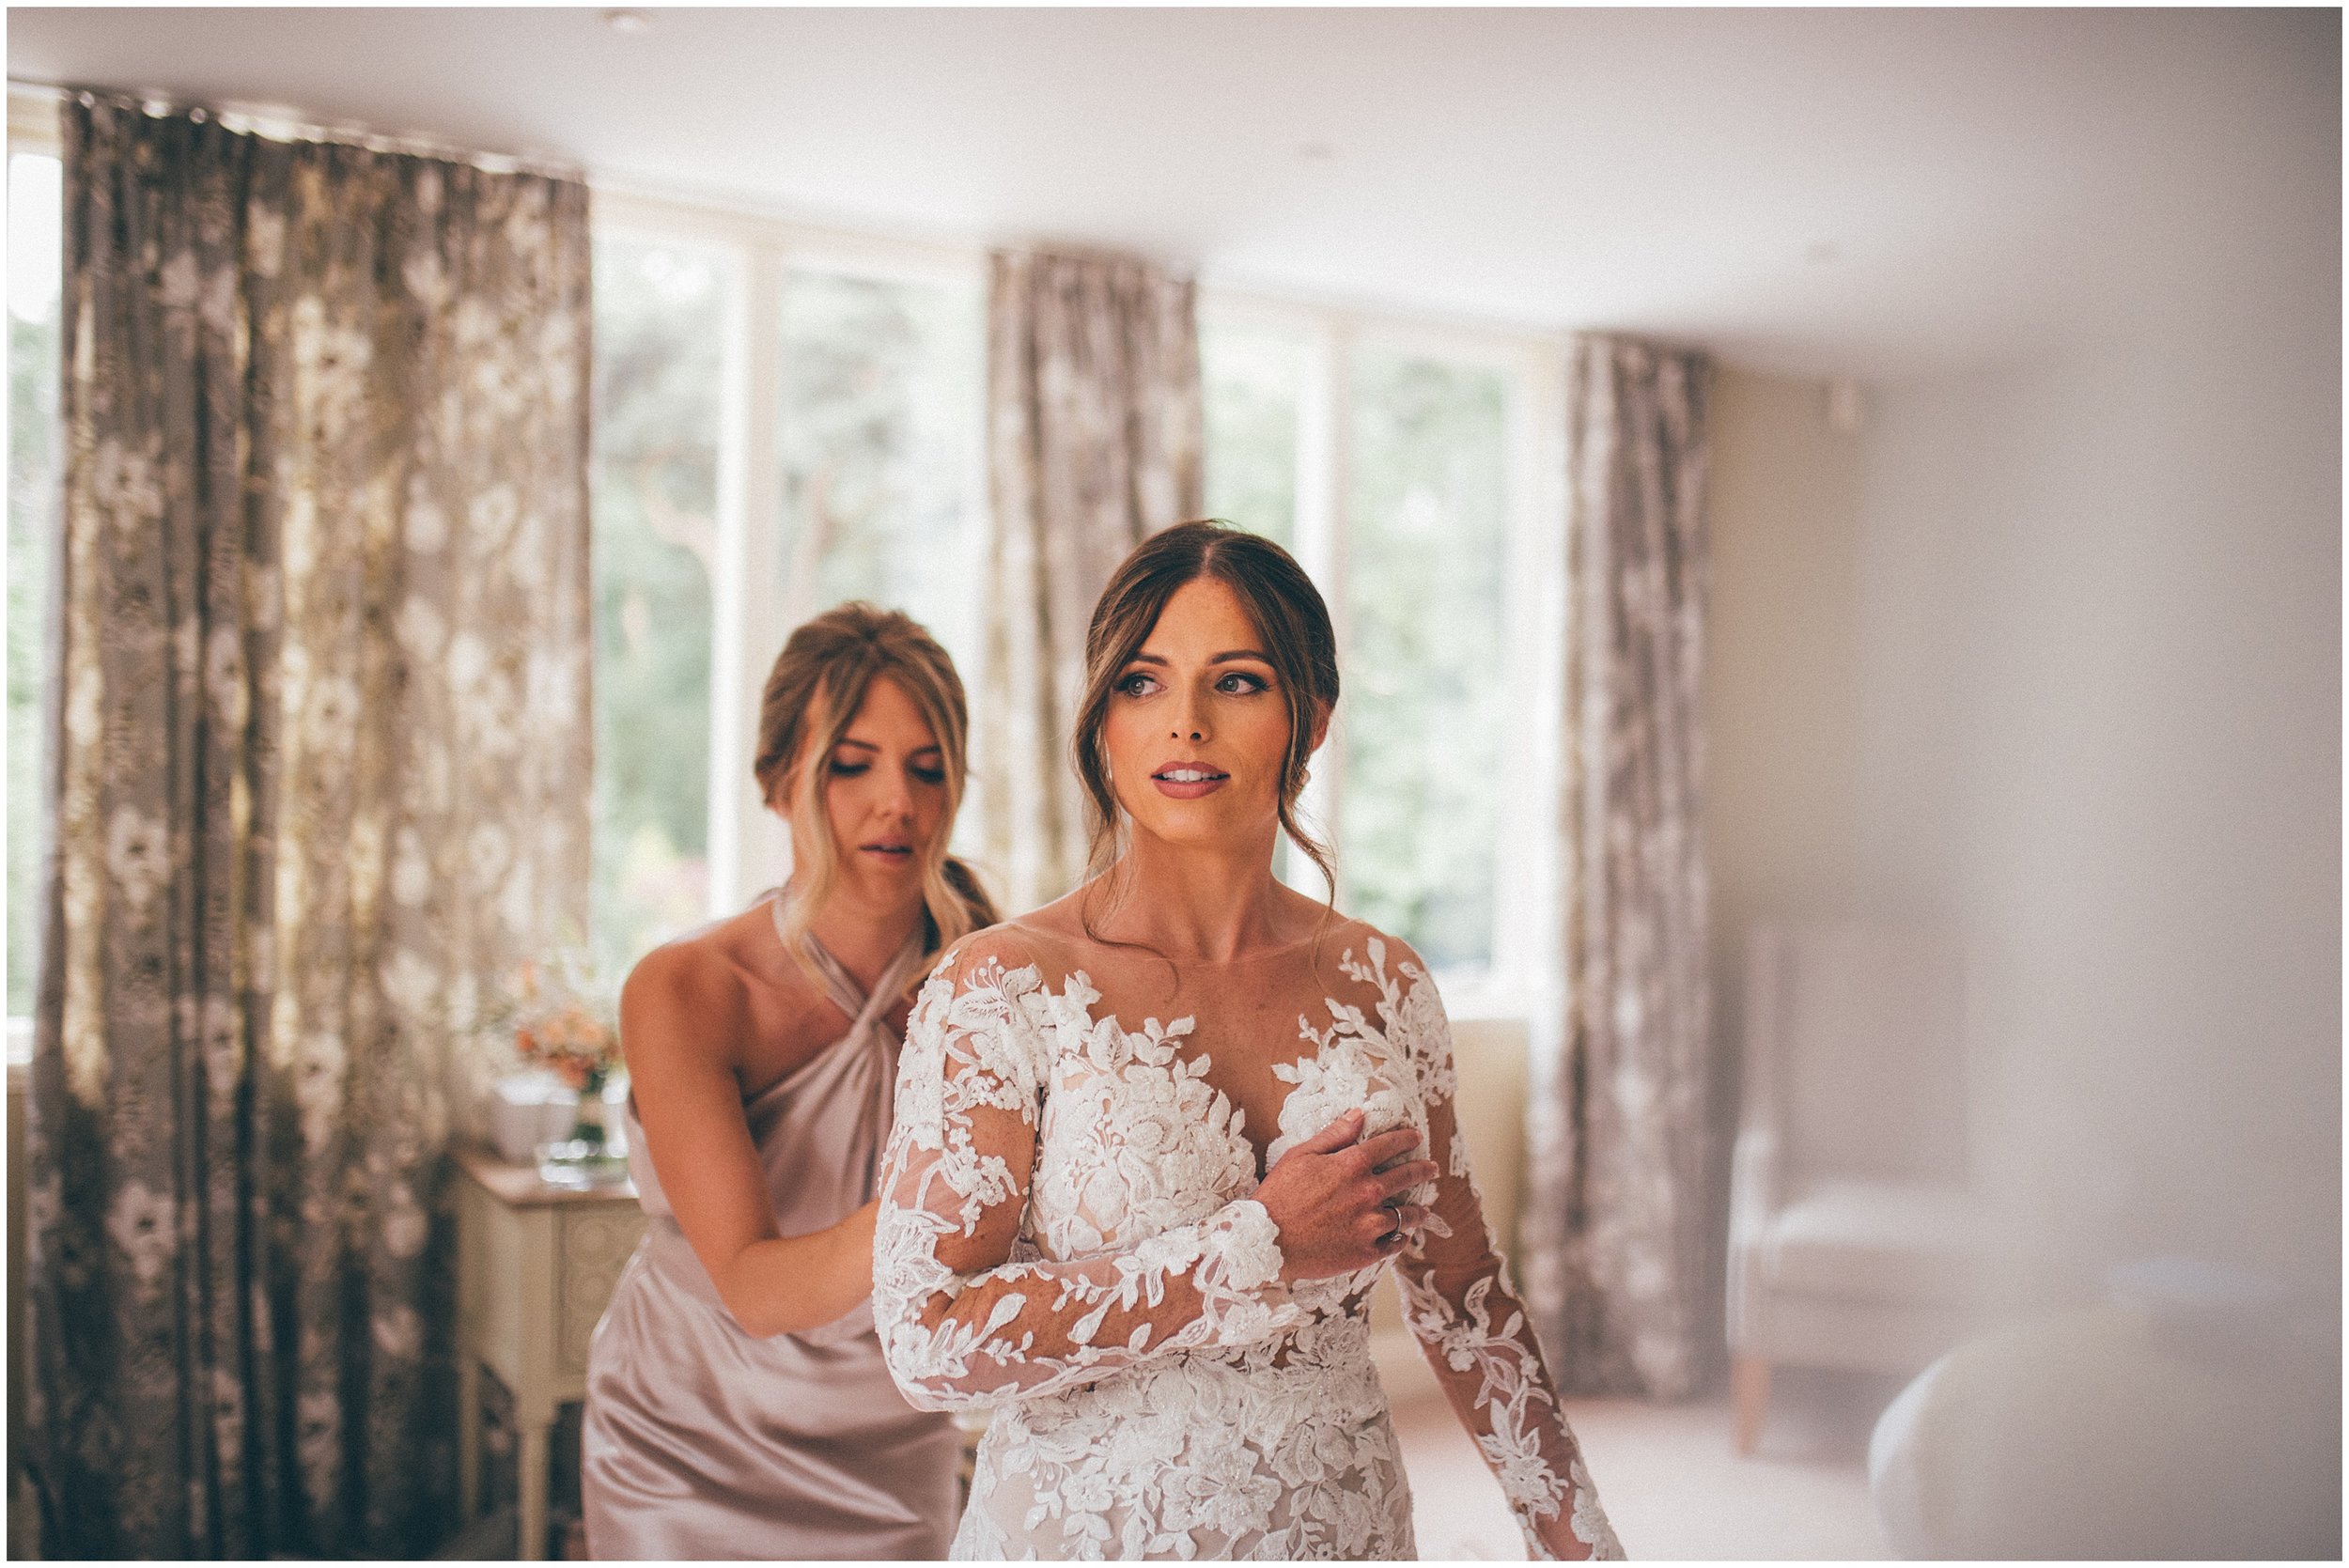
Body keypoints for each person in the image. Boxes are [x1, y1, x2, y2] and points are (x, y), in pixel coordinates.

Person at [872, 521, 1624, 1560]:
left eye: (1235, 683)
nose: (1183, 724)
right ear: (1099, 721)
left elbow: (1463, 1297)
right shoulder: (1002, 986)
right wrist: (1253, 1247)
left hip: (1344, 1531)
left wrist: (1578, 1538)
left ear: (1309, 718)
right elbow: (929, 1343)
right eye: (1141, 683)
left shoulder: (1384, 981)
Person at [583, 603, 997, 1560]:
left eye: (926, 766)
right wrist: (947, 1191)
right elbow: (757, 1291)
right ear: (778, 781)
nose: (896, 800)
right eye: (851, 763)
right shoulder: (685, 989)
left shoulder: (984, 979)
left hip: (890, 1437)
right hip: (688, 1436)